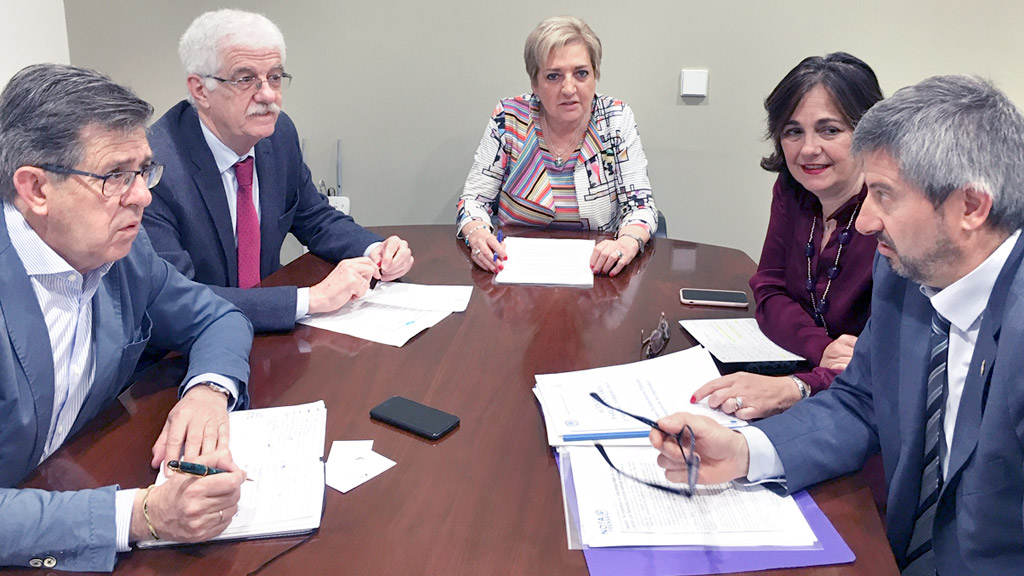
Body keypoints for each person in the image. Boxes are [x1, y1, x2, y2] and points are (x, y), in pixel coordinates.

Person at [652, 75, 1024, 575]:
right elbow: (860, 400)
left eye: (885, 195)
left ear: (971, 207)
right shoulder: (905, 276)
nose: (866, 221)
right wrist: (745, 450)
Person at [0, 64, 253, 571]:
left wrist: (206, 392)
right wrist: (140, 516)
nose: (143, 195)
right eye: (115, 175)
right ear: (36, 189)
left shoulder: (123, 254)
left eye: (143, 170)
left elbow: (217, 319)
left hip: (71, 473)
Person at [144, 9, 414, 334]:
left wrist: (377, 250)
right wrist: (310, 300)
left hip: (271, 338)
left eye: (274, 77)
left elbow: (314, 217)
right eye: (246, 79)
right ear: (200, 90)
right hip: (184, 350)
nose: (269, 95)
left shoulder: (277, 134)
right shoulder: (153, 168)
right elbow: (175, 299)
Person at [693, 53, 881, 419]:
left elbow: (885, 359)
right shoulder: (792, 189)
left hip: (863, 408)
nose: (808, 149)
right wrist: (821, 349)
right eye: (794, 131)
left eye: (830, 129)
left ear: (868, 134)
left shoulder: (888, 216)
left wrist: (799, 386)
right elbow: (769, 288)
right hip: (807, 375)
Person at [456, 16, 657, 277]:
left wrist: (627, 243)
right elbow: (473, 200)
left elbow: (640, 205)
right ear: (535, 83)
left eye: (581, 73)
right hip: (514, 271)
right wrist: (478, 234)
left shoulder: (615, 119)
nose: (569, 88)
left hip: (598, 273)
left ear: (596, 75)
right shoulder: (509, 117)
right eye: (553, 76)